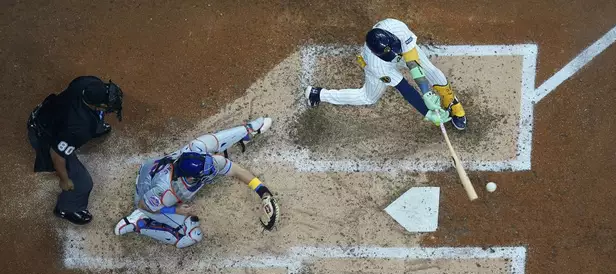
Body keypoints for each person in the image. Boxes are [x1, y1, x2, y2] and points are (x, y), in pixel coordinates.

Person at [114, 117, 280, 248]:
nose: (214, 163)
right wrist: (175, 210)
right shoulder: (167, 193)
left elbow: (236, 170)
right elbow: (144, 204)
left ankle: (249, 131)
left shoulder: (197, 149)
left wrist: (262, 191)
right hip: (145, 194)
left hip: (153, 169)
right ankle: (138, 223)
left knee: (210, 143)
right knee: (192, 236)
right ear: (191, 178)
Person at [305, 18, 467, 130]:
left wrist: (426, 91)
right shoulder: (377, 65)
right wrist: (427, 112)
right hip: (382, 66)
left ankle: (452, 103)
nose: (397, 56)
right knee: (368, 97)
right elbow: (405, 88)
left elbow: (412, 63)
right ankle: (318, 94)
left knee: (429, 70)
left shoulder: (396, 27)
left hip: (403, 47)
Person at [27, 76, 124, 224]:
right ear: (97, 105)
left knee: (94, 122)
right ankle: (67, 209)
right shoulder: (79, 129)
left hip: (50, 113)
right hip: (44, 134)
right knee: (83, 183)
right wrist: (65, 180)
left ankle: (96, 125)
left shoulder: (88, 82)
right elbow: (56, 154)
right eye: (107, 104)